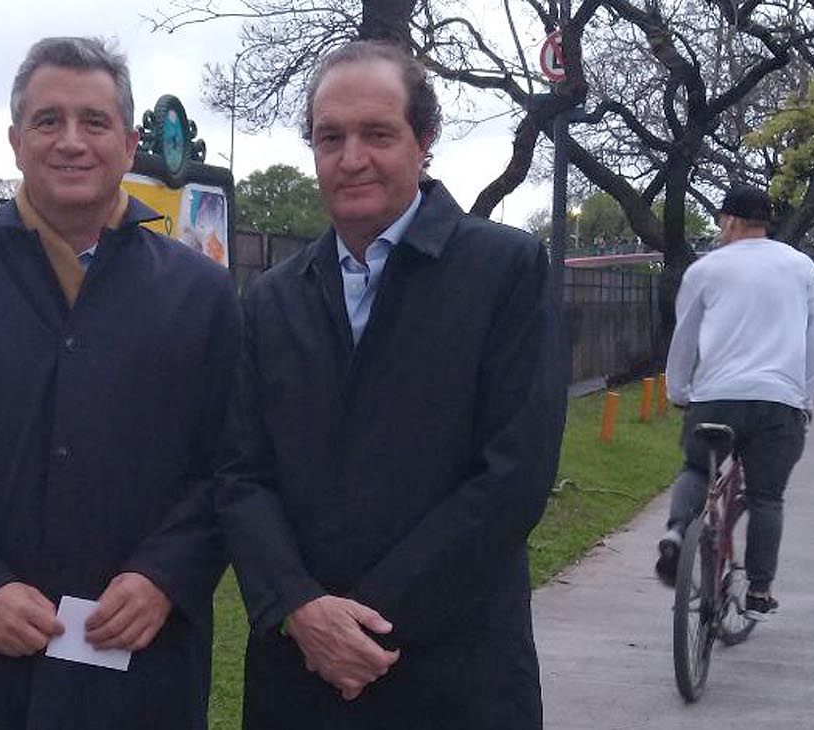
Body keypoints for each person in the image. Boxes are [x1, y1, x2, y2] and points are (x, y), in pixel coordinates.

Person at [0, 37, 239, 729]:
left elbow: (232, 464)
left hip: (146, 666)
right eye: (48, 121)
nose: (72, 141)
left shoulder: (201, 292)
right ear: (16, 141)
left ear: (130, 144)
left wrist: (166, 574)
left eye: (94, 122)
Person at [217, 40, 566, 728]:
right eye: (330, 137)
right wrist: (299, 606)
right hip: (300, 671)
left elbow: (513, 475)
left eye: (377, 134)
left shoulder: (503, 271)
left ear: (424, 139)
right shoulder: (271, 299)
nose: (352, 159)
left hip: (454, 671)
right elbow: (239, 475)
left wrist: (366, 626)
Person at [656, 185, 814, 615]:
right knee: (766, 497)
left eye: (720, 223)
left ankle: (678, 530)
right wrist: (803, 394)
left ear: (731, 220)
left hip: (716, 398)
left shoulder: (706, 269)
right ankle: (757, 592)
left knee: (698, 467)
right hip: (779, 403)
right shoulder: (801, 267)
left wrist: (678, 391)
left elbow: (684, 339)